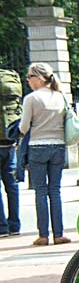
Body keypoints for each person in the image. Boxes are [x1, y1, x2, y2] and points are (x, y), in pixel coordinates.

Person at [19, 63, 70, 246]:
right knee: (55, 190)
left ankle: (43, 235)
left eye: (30, 77)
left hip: (38, 147)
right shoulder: (60, 97)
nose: (28, 80)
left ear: (39, 78)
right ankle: (59, 233)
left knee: (40, 191)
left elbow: (24, 127)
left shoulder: (31, 99)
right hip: (58, 146)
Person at [0, 68, 21, 237]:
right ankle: (15, 224)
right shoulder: (10, 78)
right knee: (12, 185)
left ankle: (1, 226)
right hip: (9, 141)